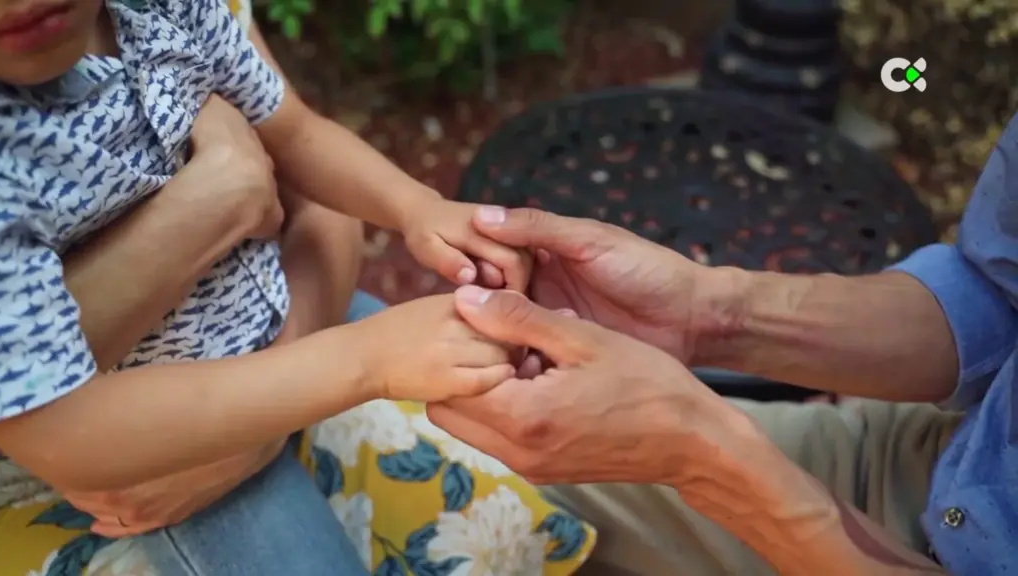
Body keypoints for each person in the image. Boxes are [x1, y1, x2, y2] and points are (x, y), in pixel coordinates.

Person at [0, 0, 595, 574]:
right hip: (163, 445)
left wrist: (418, 207)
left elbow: (295, 133)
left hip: (279, 322)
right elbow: (62, 428)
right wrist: (367, 359)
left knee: (523, 468)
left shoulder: (165, 10)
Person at [427, 121, 1018, 576]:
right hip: (948, 457)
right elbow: (992, 295)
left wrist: (707, 462)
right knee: (452, 459)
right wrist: (705, 313)